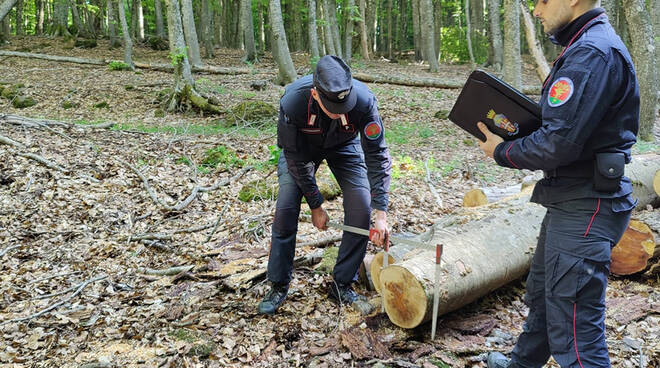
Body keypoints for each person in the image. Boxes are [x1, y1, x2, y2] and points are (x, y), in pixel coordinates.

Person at [477, 1, 640, 367]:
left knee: (577, 334)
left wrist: (502, 150)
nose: (536, 10)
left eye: (543, 1)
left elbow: (558, 144)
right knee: (545, 295)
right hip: (571, 198)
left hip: (587, 203)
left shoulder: (592, 54)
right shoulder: (584, 46)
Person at [258, 55, 392, 315]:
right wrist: (316, 204)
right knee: (286, 207)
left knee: (361, 207)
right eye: (332, 105)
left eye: (345, 105)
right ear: (316, 94)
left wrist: (381, 213)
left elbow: (377, 156)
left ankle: (342, 282)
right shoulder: (293, 102)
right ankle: (278, 283)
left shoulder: (365, 102)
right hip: (301, 149)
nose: (341, 111)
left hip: (345, 145)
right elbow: (294, 159)